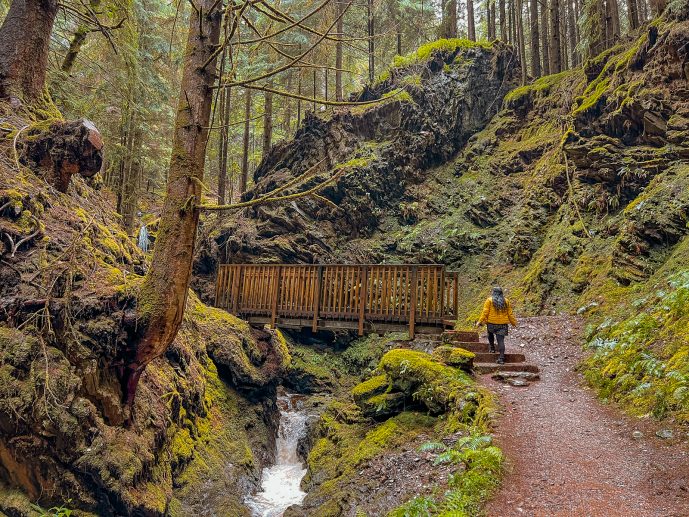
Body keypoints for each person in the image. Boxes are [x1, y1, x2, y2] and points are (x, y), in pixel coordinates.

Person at [476, 286, 517, 364]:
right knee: (501, 341)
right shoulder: (506, 301)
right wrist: (513, 322)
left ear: (493, 292)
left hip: (491, 323)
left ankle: (492, 348)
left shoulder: (489, 300)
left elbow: (485, 312)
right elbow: (510, 314)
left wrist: (480, 321)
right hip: (503, 325)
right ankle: (501, 358)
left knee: (490, 334)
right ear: (501, 293)